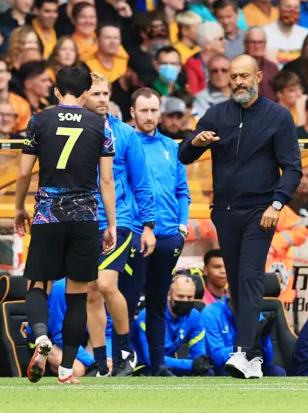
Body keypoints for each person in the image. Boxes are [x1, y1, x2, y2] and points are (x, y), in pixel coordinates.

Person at [178, 54, 301, 379]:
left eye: (244, 76)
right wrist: (196, 140)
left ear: (258, 76)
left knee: (249, 277)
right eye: (233, 77)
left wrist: (276, 205)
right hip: (225, 212)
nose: (239, 82)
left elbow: (292, 168)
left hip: (261, 211)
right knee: (236, 280)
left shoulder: (278, 116)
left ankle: (244, 351)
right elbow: (184, 154)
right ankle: (255, 356)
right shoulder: (217, 114)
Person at [15, 65, 117, 385]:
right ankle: (65, 370)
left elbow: (22, 173)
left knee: (37, 284)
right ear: (86, 92)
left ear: (56, 91)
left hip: (48, 214)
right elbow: (107, 180)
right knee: (77, 294)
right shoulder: (101, 125)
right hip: (85, 217)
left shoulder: (39, 120)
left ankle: (42, 336)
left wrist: (19, 207)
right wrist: (111, 223)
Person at [84, 72, 156, 377]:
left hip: (121, 220)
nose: (102, 99)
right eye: (96, 94)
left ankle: (125, 351)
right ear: (82, 96)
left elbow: (142, 181)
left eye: (106, 93)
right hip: (85, 221)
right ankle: (102, 361)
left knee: (105, 283)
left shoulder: (125, 134)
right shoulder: (74, 132)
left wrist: (149, 225)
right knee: (90, 291)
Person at [131, 87, 191, 377]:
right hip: (135, 234)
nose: (150, 116)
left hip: (168, 237)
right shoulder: (124, 145)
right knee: (126, 301)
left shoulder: (172, 147)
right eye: (144, 110)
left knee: (156, 303)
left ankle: (159, 365)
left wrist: (182, 225)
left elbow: (183, 191)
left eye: (155, 110)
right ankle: (120, 360)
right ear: (133, 112)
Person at [132, 275, 213, 376]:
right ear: (169, 295)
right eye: (180, 296)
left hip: (169, 366)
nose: (185, 300)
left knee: (207, 373)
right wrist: (191, 364)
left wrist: (202, 364)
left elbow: (199, 355)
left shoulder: (194, 317)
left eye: (190, 297)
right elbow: (151, 359)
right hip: (143, 365)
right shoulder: (149, 315)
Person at [201, 291, 286, 377]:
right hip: (225, 367)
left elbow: (268, 360)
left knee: (277, 372)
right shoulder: (211, 313)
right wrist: (243, 349)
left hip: (252, 364)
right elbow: (216, 357)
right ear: (229, 293)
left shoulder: (256, 315)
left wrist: (264, 339)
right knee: (228, 372)